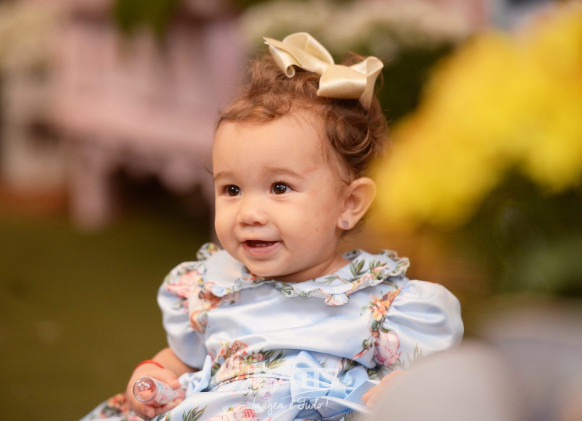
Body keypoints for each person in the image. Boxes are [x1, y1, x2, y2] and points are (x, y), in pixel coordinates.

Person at [81, 32, 463, 421]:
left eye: (279, 188)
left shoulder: (383, 305)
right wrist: (153, 374)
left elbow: (433, 381)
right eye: (231, 189)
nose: (249, 213)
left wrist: (399, 388)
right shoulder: (212, 287)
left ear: (349, 204)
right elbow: (183, 359)